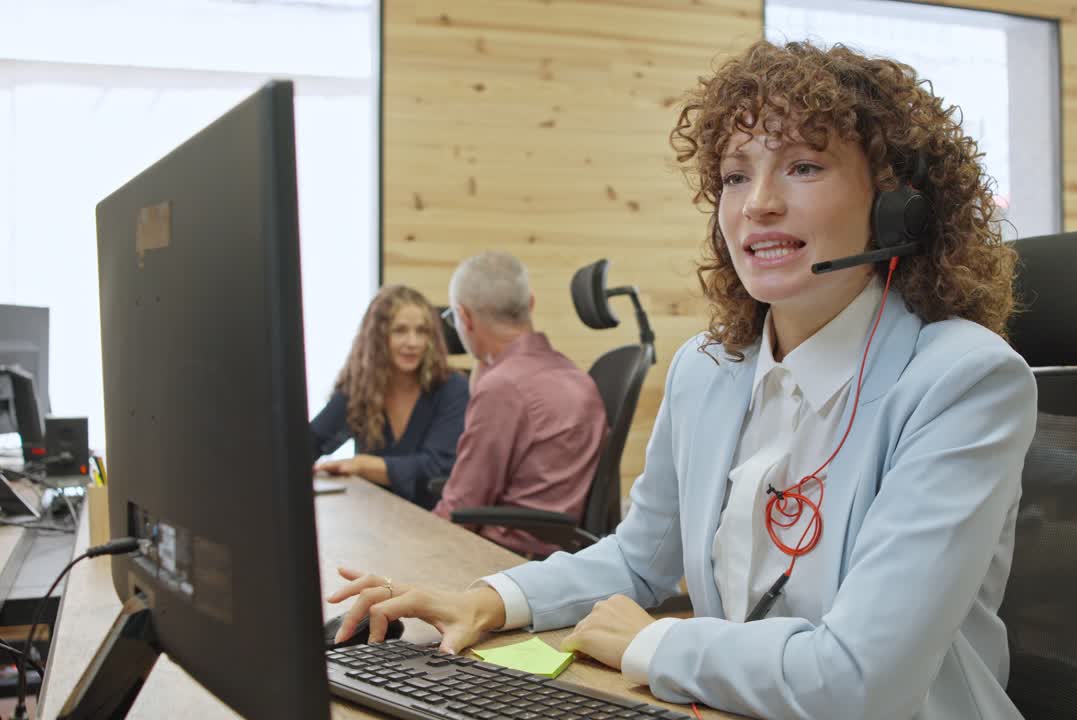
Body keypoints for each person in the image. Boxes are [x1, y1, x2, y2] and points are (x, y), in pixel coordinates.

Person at [328, 40, 1037, 720]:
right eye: (735, 175)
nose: (757, 202)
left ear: (895, 205)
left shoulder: (964, 383)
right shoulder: (709, 368)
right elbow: (639, 561)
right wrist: (487, 599)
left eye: (803, 167)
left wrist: (651, 643)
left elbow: (862, 681)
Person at [431, 251, 608, 558]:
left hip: (502, 558)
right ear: (531, 304)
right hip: (559, 554)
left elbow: (461, 509)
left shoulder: (503, 389)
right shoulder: (575, 375)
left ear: (465, 318)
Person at [312, 285, 468, 509]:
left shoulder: (452, 388)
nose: (413, 342)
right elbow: (311, 442)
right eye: (400, 331)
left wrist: (363, 465)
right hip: (374, 520)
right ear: (377, 338)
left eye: (422, 331)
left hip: (434, 521)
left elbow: (436, 467)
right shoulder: (359, 388)